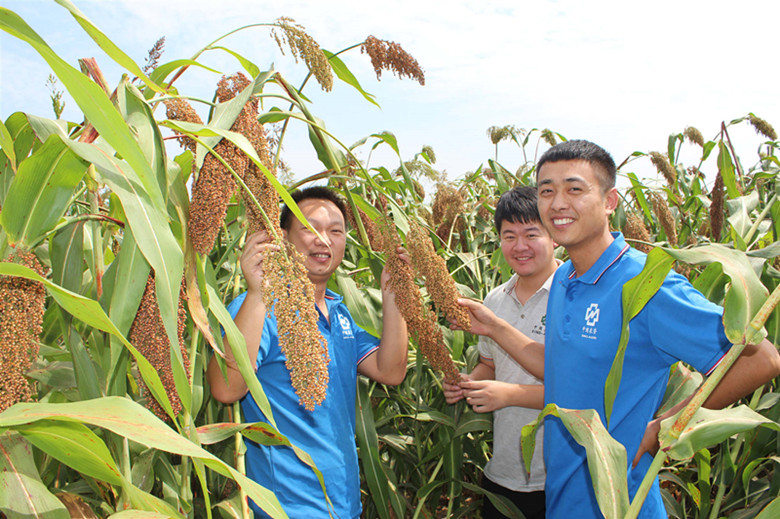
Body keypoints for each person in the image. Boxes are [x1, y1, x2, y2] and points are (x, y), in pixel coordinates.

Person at [455, 140, 780, 519]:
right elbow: (562, 369)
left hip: (619, 502)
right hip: (562, 500)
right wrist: (494, 327)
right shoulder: (564, 279)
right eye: (547, 191)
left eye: (574, 189)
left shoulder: (647, 284)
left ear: (610, 201)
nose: (558, 203)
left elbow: (760, 359)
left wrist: (665, 426)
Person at [206, 186, 409, 519]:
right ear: (283, 238)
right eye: (310, 227)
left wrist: (394, 293)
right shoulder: (258, 309)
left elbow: (391, 371)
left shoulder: (339, 315)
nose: (323, 239)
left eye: (335, 231)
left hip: (344, 505)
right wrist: (259, 293)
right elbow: (226, 389)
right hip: (287, 508)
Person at [443, 186, 557, 519]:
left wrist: (508, 395)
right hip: (502, 472)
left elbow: (582, 391)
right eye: (509, 236)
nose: (519, 246)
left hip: (557, 477)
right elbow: (489, 365)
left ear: (555, 235)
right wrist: (468, 383)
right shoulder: (494, 300)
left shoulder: (575, 296)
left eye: (531, 234)